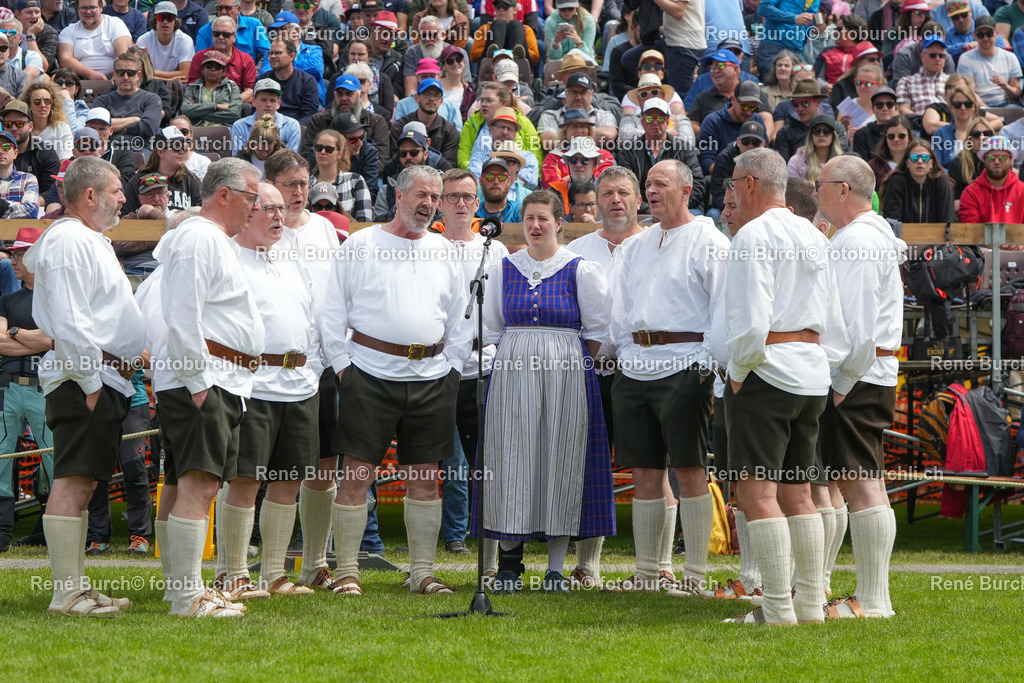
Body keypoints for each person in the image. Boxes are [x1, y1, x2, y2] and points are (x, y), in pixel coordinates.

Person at [319, 165, 471, 596]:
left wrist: (453, 369)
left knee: (425, 477)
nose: (429, 204)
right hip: (368, 374)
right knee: (356, 476)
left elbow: (460, 318)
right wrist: (343, 366)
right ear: (399, 196)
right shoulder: (362, 244)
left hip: (433, 378)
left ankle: (422, 572)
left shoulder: (444, 250)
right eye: (421, 195)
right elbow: (332, 309)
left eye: (435, 197)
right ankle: (347, 572)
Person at [722, 147, 848, 625]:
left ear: (750, 184)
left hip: (768, 371)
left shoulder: (753, 235)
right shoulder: (815, 234)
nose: (733, 194)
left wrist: (738, 372)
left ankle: (777, 608)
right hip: (811, 372)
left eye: (735, 184)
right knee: (799, 492)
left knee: (756, 494)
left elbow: (750, 321)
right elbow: (834, 318)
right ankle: (810, 605)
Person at [26, 155, 146, 618]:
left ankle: (76, 588)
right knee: (73, 481)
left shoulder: (84, 239)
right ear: (90, 195)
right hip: (86, 379)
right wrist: (91, 382)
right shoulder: (70, 240)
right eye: (116, 191)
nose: (123, 200)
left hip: (100, 377)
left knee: (84, 481)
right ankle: (66, 594)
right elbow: (71, 319)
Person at [477, 189, 614, 593]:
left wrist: (565, 361)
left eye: (543, 219)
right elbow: (492, 327)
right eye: (529, 219)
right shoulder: (504, 267)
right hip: (513, 372)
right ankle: (509, 562)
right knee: (511, 459)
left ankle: (556, 567)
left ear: (559, 223)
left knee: (561, 458)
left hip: (567, 374)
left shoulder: (579, 269)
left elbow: (598, 330)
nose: (536, 226)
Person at [148, 157, 265, 616]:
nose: (256, 207)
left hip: (218, 379)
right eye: (252, 197)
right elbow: (182, 313)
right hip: (205, 379)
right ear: (225, 195)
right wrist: (198, 383)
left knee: (192, 483)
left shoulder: (211, 240)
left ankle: (181, 590)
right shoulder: (199, 238)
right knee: (199, 485)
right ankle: (187, 596)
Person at [604, 159, 726, 595]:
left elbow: (723, 307)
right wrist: (623, 353)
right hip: (635, 367)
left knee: (689, 470)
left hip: (685, 365)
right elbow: (619, 309)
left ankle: (694, 575)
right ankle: (647, 573)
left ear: (686, 190)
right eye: (648, 185)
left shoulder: (709, 240)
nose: (652, 191)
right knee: (644, 473)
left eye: (661, 184)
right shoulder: (636, 245)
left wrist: (705, 365)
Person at [214, 180, 321, 597]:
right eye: (269, 208)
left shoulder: (291, 258)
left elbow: (310, 318)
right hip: (252, 383)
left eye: (281, 209)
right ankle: (233, 573)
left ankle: (273, 574)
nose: (279, 216)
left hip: (299, 383)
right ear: (248, 211)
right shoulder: (228, 258)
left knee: (288, 481)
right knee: (244, 480)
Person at [814, 154, 906, 619]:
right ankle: (872, 598)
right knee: (862, 481)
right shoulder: (866, 235)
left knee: (862, 484)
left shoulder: (858, 240)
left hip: (859, 375)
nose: (816, 191)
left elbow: (856, 326)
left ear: (843, 190)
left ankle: (873, 600)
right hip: (867, 371)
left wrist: (841, 383)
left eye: (821, 184)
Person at [561, 165, 645, 586]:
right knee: (588, 467)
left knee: (650, 467)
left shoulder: (654, 245)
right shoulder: (577, 251)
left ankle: (656, 568)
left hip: (642, 372)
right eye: (608, 193)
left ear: (638, 199)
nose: (616, 200)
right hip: (590, 374)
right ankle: (586, 564)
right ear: (595, 202)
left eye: (623, 193)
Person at [437, 168, 509, 559]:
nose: (461, 203)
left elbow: (502, 307)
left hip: (486, 365)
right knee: (454, 462)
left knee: (488, 458)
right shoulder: (428, 247)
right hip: (442, 368)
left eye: (467, 196)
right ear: (440, 203)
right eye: (453, 196)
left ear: (478, 203)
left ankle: (490, 532)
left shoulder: (494, 250)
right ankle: (454, 534)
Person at [0, 227, 53, 555]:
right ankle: (2, 532)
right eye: (13, 255)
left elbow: (52, 341)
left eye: (20, 254)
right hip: (9, 389)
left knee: (53, 459)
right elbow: (1, 343)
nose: (13, 261)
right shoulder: (7, 299)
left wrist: (16, 332)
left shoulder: (54, 299)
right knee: (2, 460)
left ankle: (57, 530)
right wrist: (37, 340)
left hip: (44, 390)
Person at [615, 97, 705, 211]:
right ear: (642, 122)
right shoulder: (628, 151)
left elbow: (697, 184)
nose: (655, 122)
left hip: (681, 208)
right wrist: (650, 209)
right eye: (649, 119)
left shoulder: (685, 148)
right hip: (642, 210)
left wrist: (675, 207)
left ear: (667, 122)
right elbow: (625, 188)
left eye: (661, 119)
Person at [123, 126, 202, 216]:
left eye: (184, 147)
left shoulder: (191, 180)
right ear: (160, 152)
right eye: (176, 147)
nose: (182, 151)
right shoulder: (139, 180)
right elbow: (125, 215)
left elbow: (203, 215)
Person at [92, 51, 163, 149]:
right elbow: (96, 128)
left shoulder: (152, 99)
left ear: (138, 75)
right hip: (109, 150)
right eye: (120, 73)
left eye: (130, 73)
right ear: (114, 75)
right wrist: (135, 120)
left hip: (140, 150)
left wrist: (110, 127)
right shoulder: (102, 101)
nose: (125, 77)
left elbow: (148, 128)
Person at [698, 81, 768, 174]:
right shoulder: (712, 121)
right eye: (745, 107)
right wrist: (735, 176)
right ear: (733, 100)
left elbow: (767, 153)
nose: (748, 112)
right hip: (723, 175)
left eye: (754, 108)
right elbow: (707, 160)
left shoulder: (757, 120)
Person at [537, 72, 617, 151]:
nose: (578, 97)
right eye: (574, 92)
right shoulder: (550, 115)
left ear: (591, 94)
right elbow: (548, 141)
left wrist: (568, 134)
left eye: (583, 92)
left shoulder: (604, 115)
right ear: (566, 93)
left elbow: (608, 135)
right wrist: (586, 135)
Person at [880, 138, 956, 221]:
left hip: (937, 230)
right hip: (902, 230)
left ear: (932, 162)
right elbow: (892, 221)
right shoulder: (897, 182)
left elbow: (947, 220)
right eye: (914, 157)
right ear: (907, 162)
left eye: (925, 158)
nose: (920, 161)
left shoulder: (940, 181)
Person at [188, 16, 259, 104]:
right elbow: (192, 86)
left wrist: (230, 104)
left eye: (226, 35)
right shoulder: (199, 57)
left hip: (235, 105)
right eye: (216, 34)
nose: (220, 37)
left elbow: (249, 91)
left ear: (234, 37)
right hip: (203, 103)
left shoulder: (246, 60)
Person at [391, 78, 460, 167]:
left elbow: (449, 166)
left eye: (436, 95)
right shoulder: (400, 126)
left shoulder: (450, 130)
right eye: (427, 94)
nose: (431, 99)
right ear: (417, 98)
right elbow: (395, 160)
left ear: (441, 101)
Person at [467, 105, 540, 188]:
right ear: (490, 130)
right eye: (501, 127)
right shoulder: (478, 157)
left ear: (515, 134)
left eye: (509, 129)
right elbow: (477, 182)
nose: (505, 132)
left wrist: (491, 180)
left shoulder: (527, 157)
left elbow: (530, 181)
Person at [56, 0, 132, 80]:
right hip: (80, 79)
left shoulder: (115, 23)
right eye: (84, 8)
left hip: (116, 77)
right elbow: (65, 58)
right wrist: (90, 74)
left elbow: (123, 48)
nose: (88, 12)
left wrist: (118, 72)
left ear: (101, 8)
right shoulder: (68, 31)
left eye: (92, 7)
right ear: (77, 9)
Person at [956, 15, 1022, 105]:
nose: (985, 38)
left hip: (1007, 106)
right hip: (978, 107)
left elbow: (1016, 95)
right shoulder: (966, 58)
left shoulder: (1011, 57)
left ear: (997, 34)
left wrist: (1006, 86)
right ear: (974, 36)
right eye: (981, 35)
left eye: (989, 34)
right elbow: (969, 93)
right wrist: (987, 111)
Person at [309, 129, 372, 221]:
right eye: (319, 147)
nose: (322, 151)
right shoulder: (305, 183)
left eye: (329, 149)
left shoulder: (355, 180)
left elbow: (365, 221)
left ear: (340, 153)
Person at [959, 136, 1024, 222]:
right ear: (984, 160)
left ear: (1010, 161)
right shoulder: (971, 192)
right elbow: (969, 227)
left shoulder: (1022, 191)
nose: (997, 161)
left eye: (1003, 157)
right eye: (991, 157)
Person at [232, 79, 301, 155]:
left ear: (278, 104)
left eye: (272, 100)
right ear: (254, 101)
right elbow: (237, 158)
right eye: (263, 100)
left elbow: (292, 158)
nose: (268, 104)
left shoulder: (292, 125)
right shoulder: (240, 126)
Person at [258, 39, 319, 125]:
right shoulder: (262, 81)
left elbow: (309, 114)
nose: (273, 56)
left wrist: (292, 129)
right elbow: (256, 110)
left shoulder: (307, 81)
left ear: (291, 56)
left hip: (297, 127)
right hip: (266, 126)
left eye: (278, 53)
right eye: (271, 53)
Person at [755, 0, 819, 77]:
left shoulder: (817, 1)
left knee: (797, 83)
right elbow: (763, 8)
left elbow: (808, 25)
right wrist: (794, 18)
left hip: (797, 51)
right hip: (773, 45)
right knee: (771, 82)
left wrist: (801, 47)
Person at [196, 0, 270, 66]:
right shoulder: (205, 31)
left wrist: (256, 73)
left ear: (238, 9)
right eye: (220, 8)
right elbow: (200, 59)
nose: (223, 12)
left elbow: (266, 54)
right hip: (216, 73)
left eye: (228, 8)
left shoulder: (255, 25)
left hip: (250, 72)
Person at [181, 50, 243, 128]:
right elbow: (185, 109)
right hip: (197, 129)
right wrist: (216, 106)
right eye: (209, 66)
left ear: (224, 71)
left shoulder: (232, 86)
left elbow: (235, 113)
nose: (213, 69)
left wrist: (197, 112)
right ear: (202, 69)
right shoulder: (192, 87)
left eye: (217, 67)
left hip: (225, 129)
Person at [138, 1, 196, 82]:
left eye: (169, 18)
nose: (165, 22)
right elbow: (140, 73)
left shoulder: (185, 40)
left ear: (175, 21)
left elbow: (185, 74)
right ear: (155, 21)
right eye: (161, 17)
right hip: (150, 84)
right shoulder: (143, 40)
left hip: (175, 85)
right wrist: (170, 79)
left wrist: (154, 72)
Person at [469, 0, 538, 66]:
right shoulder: (485, 29)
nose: (501, 9)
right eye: (498, 6)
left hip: (518, 66)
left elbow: (535, 56)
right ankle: (494, 51)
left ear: (515, 10)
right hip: (491, 65)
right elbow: (473, 55)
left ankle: (517, 52)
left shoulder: (526, 29)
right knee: (499, 23)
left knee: (515, 24)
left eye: (505, 6)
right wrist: (500, 53)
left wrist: (508, 53)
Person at [896, 35, 951, 116]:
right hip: (918, 122)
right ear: (922, 57)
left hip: (947, 122)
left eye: (941, 56)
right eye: (933, 55)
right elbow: (903, 109)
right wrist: (924, 120)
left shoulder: (951, 81)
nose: (937, 59)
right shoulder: (906, 82)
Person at [948, 117, 994, 207]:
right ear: (969, 138)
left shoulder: (1002, 160)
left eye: (987, 134)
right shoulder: (957, 163)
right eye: (976, 134)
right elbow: (953, 203)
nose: (982, 138)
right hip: (968, 211)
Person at [22, 81, 71, 162]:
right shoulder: (22, 128)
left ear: (52, 105)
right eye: (37, 101)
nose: (43, 105)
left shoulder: (62, 128)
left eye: (47, 101)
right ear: (29, 105)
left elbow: (65, 161)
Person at [787, 115, 843, 183]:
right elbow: (793, 188)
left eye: (827, 131)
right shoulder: (796, 162)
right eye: (816, 131)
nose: (821, 134)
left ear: (833, 135)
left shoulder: (842, 162)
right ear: (811, 135)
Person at [0, 129, 39, 218]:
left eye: (6, 147)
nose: (0, 151)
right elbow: (25, 211)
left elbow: (31, 212)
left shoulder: (28, 179)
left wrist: (3, 205)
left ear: (15, 153)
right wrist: (16, 205)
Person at [853, 86, 898, 162]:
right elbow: (862, 165)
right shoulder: (861, 135)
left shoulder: (904, 131)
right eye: (879, 105)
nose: (885, 108)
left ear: (896, 108)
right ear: (873, 109)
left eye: (889, 104)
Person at [869, 115, 913, 190]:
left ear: (909, 137)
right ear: (886, 138)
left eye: (901, 136)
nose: (896, 139)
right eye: (891, 136)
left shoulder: (918, 162)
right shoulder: (874, 165)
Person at [17, 0, 59, 75]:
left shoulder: (49, 33)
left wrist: (30, 36)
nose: (34, 16)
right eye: (29, 12)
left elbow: (44, 67)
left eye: (37, 12)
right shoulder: (10, 30)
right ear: (18, 14)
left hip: (39, 76)